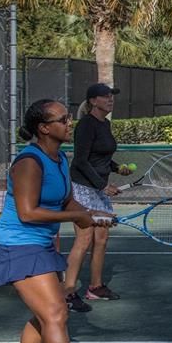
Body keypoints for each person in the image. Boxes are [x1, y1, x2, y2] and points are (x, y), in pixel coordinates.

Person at [0, 98, 118, 343]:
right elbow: (27, 211)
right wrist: (78, 215)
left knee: (47, 315)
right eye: (61, 119)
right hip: (16, 245)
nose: (69, 122)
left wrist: (94, 214)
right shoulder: (28, 163)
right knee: (55, 315)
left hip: (40, 244)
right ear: (44, 128)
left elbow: (68, 201)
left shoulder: (59, 158)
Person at [64, 83, 132, 312]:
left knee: (101, 239)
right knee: (84, 240)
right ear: (93, 101)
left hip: (98, 188)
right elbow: (81, 161)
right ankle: (68, 292)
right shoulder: (85, 125)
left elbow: (101, 157)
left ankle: (95, 287)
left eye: (111, 96)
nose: (110, 99)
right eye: (105, 96)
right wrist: (103, 185)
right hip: (83, 187)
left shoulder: (106, 124)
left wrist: (117, 167)